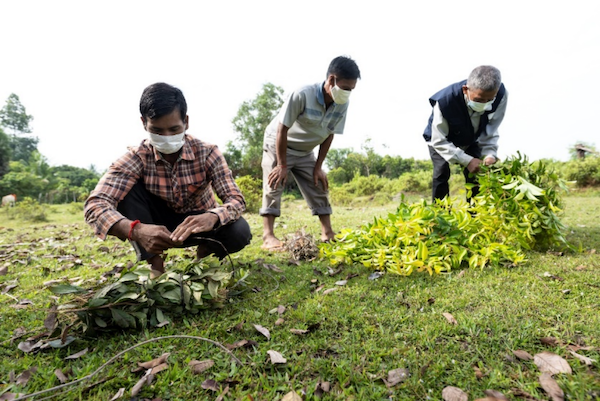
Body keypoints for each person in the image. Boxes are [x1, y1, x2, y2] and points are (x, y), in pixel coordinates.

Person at [84, 83, 252, 276]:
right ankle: (155, 264)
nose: (166, 137)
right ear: (144, 124)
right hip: (156, 226)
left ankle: (205, 254)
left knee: (239, 230)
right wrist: (136, 230)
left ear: (186, 122)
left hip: (200, 223)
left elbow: (236, 200)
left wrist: (213, 216)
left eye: (174, 129)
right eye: (157, 131)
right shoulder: (136, 157)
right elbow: (95, 205)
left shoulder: (207, 153)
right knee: (126, 192)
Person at [260, 56, 361, 250]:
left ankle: (327, 232)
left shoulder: (342, 103)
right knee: (274, 183)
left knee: (318, 184)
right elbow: (282, 129)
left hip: (305, 150)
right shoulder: (302, 94)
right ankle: (268, 237)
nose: (348, 94)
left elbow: (330, 134)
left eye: (352, 90)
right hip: (279, 144)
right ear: (332, 80)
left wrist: (318, 167)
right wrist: (281, 165)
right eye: (346, 88)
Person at [423, 65, 508, 201]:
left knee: (477, 175)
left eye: (489, 100)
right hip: (440, 139)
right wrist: (467, 160)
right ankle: (440, 215)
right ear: (465, 90)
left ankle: (476, 215)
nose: (485, 104)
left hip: (472, 137)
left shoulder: (501, 96)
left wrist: (489, 154)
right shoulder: (446, 101)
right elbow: (439, 140)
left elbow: (491, 128)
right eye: (479, 100)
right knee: (441, 174)